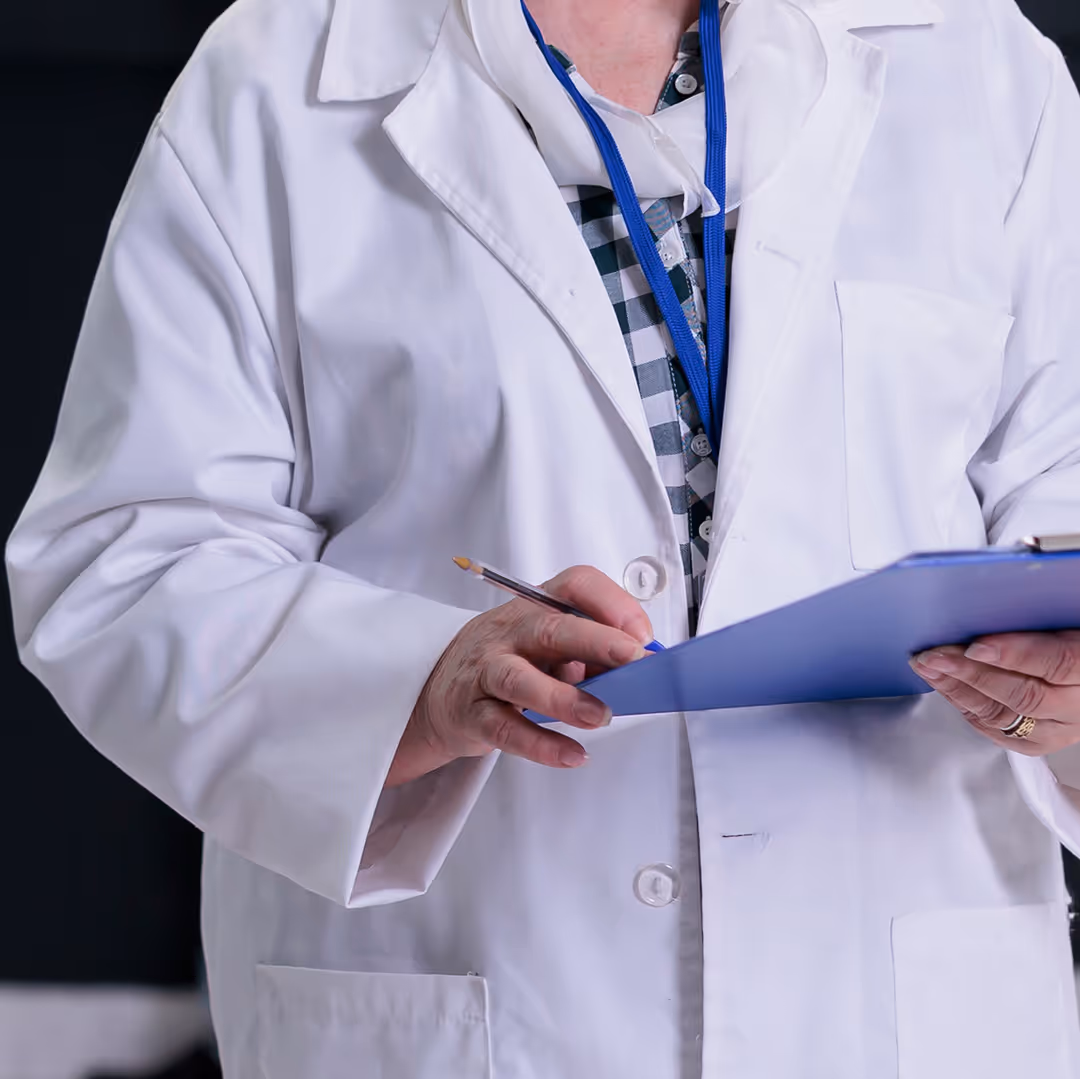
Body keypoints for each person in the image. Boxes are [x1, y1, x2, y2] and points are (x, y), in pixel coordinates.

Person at [7, 0, 1080, 1072]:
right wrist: (418, 679)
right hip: (478, 995)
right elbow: (127, 560)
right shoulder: (275, 74)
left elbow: (1061, 505)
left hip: (900, 1003)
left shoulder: (979, 62)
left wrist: (1065, 687)